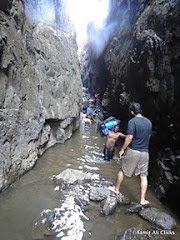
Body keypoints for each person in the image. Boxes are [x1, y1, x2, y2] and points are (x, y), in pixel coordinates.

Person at [109, 102, 152, 206]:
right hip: (145, 152)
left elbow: (129, 137)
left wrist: (122, 149)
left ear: (132, 112)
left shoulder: (132, 122)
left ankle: (116, 189)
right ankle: (142, 200)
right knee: (143, 175)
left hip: (134, 150)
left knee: (122, 170)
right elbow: (149, 136)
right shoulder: (148, 122)